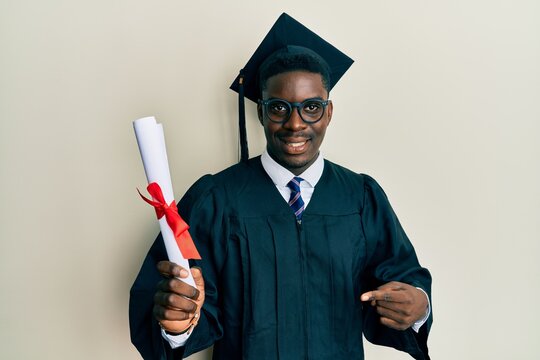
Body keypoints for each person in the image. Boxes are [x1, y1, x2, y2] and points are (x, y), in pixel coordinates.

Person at [130, 13, 432, 360]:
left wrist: (418, 307)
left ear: (329, 112)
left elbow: (404, 277)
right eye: (279, 108)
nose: (295, 123)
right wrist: (177, 324)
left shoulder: (361, 197)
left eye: (311, 108)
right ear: (261, 112)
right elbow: (180, 300)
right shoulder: (217, 199)